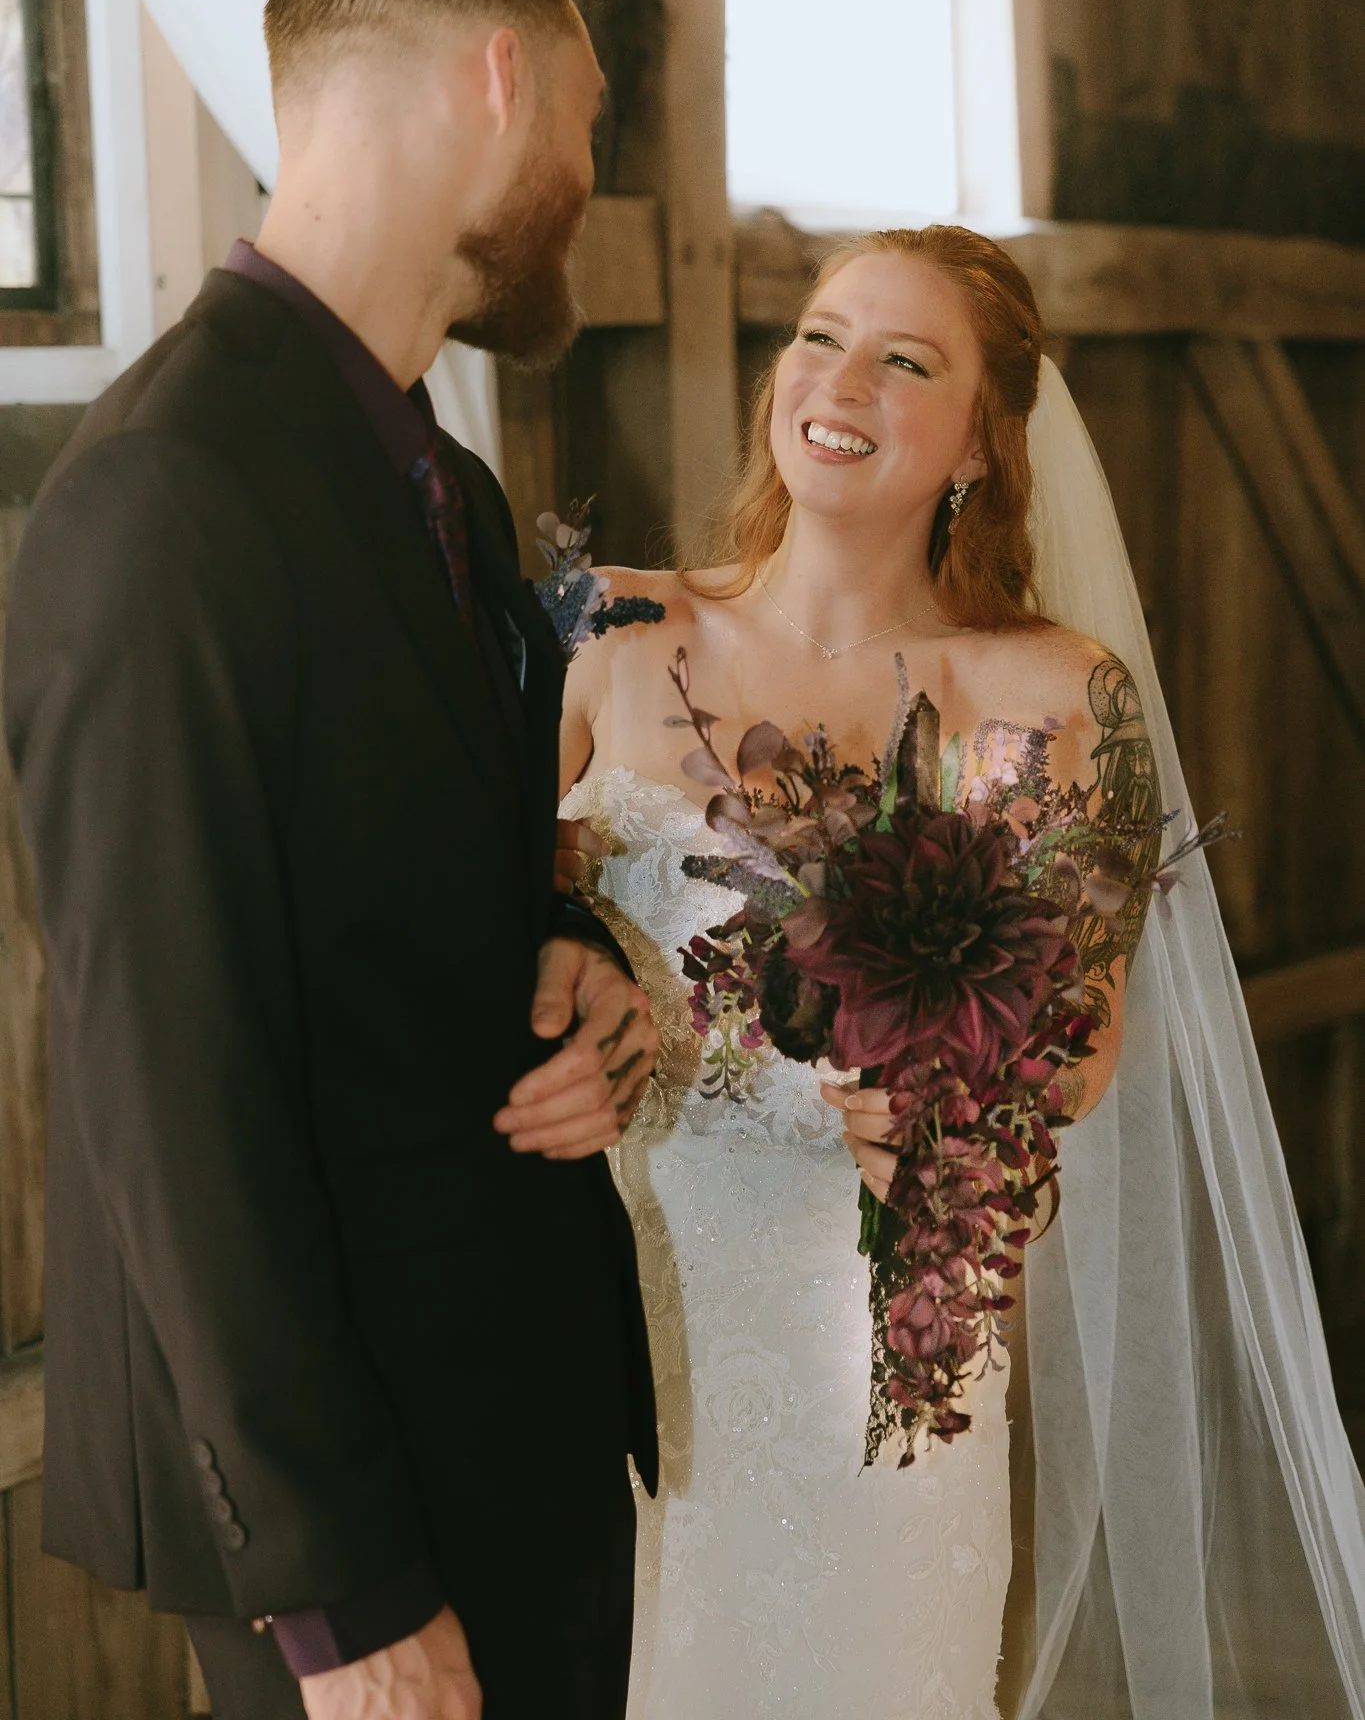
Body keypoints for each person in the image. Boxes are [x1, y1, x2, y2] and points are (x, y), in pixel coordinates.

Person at [557, 226, 1365, 1717]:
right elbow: (496, 941)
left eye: (904, 360)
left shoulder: (1059, 699)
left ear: (980, 448)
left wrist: (949, 1117)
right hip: (603, 1320)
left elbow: (1080, 1044)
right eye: (817, 334)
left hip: (882, 1349)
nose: (838, 376)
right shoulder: (612, 630)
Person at [4, 0, 660, 1720]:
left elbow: (404, 880)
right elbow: (164, 1090)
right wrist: (339, 1600)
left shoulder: (430, 476)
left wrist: (572, 959)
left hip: (500, 1417)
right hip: (353, 1509)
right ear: (503, 82)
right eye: (594, 128)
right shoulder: (163, 497)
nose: (591, 184)